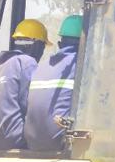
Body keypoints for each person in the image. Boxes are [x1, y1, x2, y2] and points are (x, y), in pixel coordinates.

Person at [0, 18, 47, 150]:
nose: (42, 52)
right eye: (43, 46)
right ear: (36, 44)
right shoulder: (27, 63)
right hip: (16, 140)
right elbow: (31, 105)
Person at [25, 14, 82, 152]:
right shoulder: (82, 66)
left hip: (31, 144)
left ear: (60, 44)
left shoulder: (40, 67)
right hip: (61, 146)